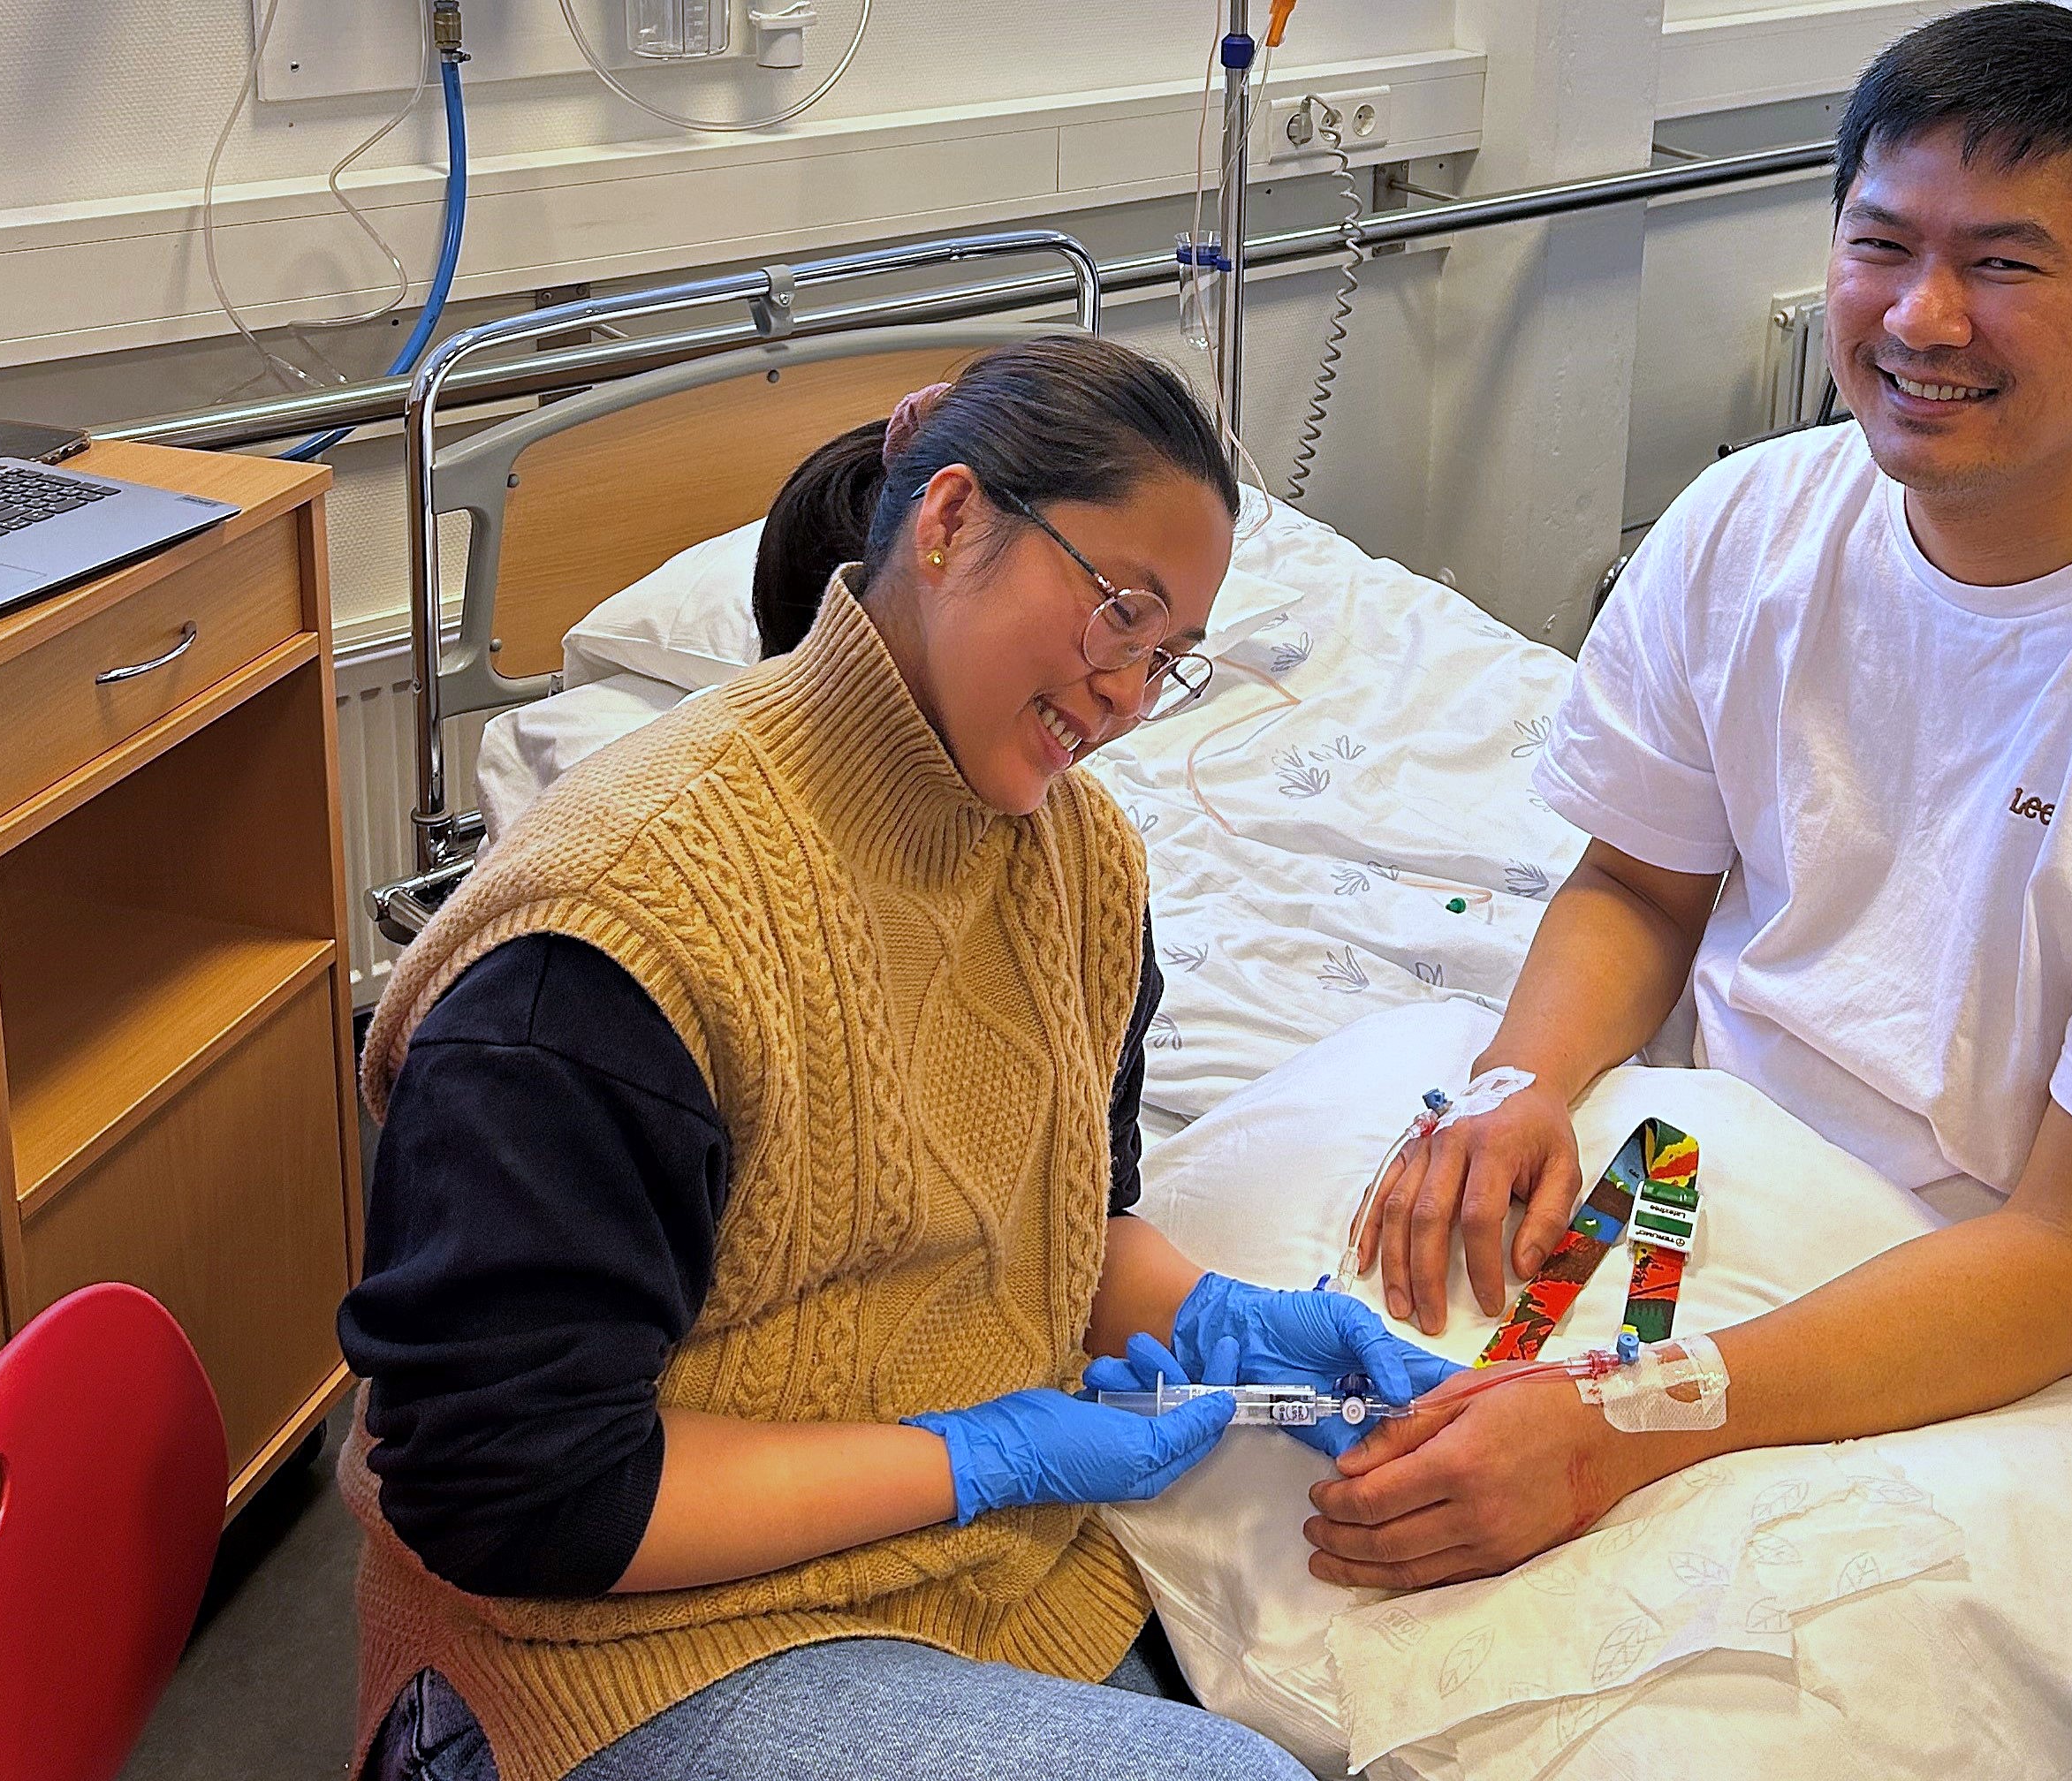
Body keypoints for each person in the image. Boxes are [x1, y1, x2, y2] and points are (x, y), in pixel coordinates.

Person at [1305, 1, 2072, 1590]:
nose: (1922, 318)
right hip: (1705, 1164)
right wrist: (1518, 1081)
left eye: (2004, 265)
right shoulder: (1748, 524)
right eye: (1880, 246)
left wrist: (1624, 1426)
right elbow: (1638, 888)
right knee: (1286, 1383)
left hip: (2017, 1322)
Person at [339, 336, 1451, 1781]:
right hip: (597, 1643)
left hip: (942, 1574)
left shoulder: (1083, 872)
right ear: (950, 519)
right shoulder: (613, 941)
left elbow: (1068, 1227)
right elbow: (513, 1492)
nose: (1126, 694)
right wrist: (987, 1453)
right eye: (1119, 614)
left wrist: (1232, 1321)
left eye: (1168, 661)